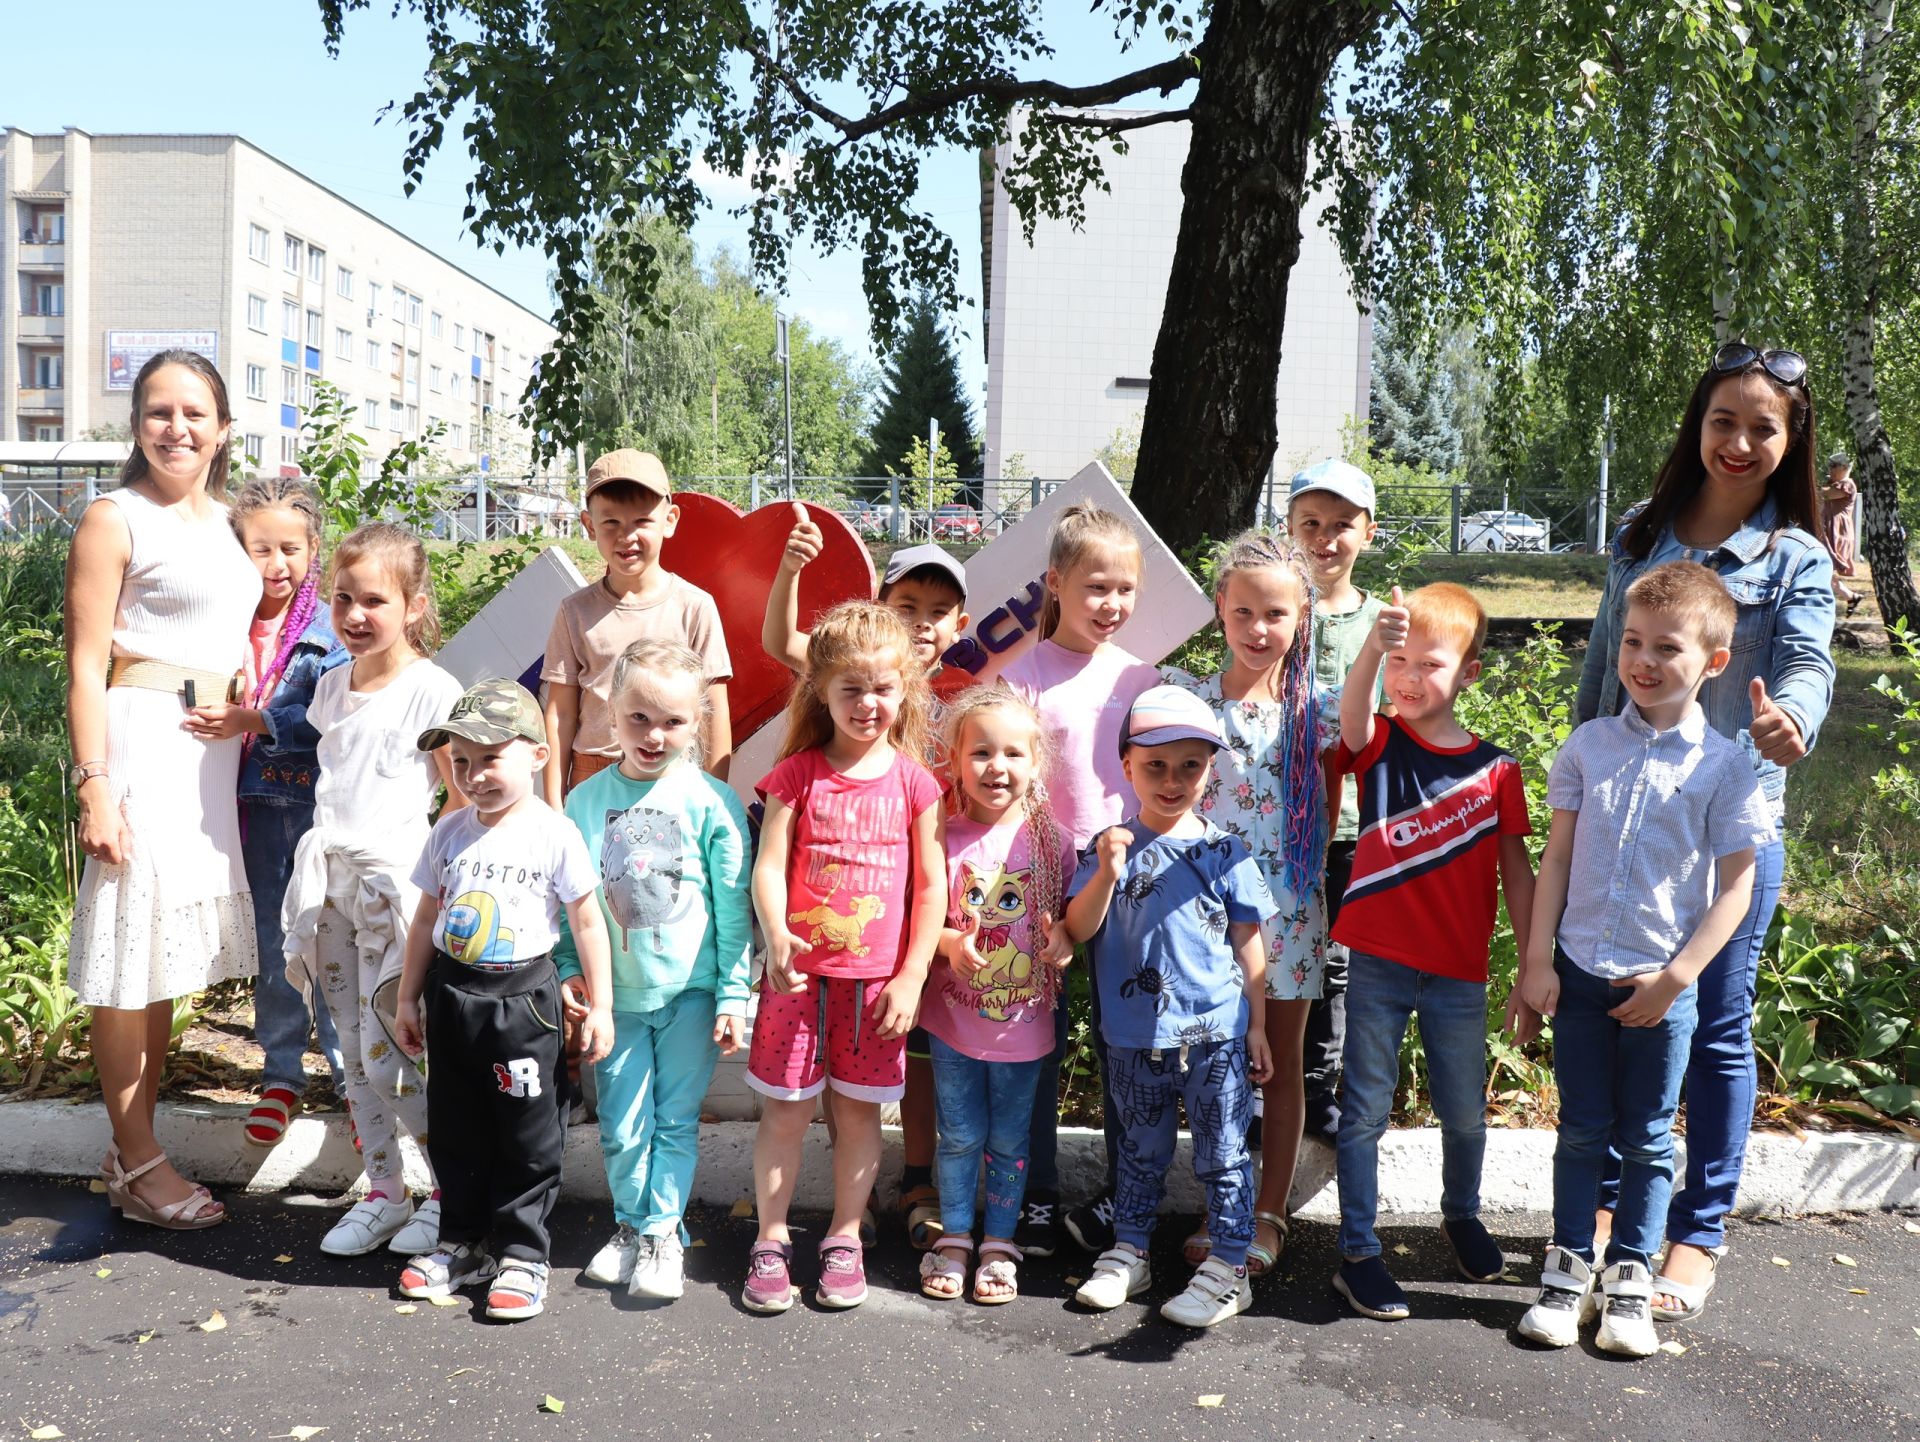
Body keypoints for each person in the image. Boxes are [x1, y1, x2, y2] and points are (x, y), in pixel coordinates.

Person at [1577, 342, 1835, 1321]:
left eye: (1762, 426)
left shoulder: (1795, 557)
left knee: (1718, 1030)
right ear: (1697, 426)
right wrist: (1577, 788)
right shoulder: (1641, 532)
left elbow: (1810, 664)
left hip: (1731, 832)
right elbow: (1605, 668)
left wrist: (1790, 720)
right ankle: (1605, 1211)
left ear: (1790, 438)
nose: (1738, 441)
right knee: (1614, 1017)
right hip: (1626, 828)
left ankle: (1698, 1232)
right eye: (1723, 420)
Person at [1516, 562, 1775, 1357]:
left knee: (1650, 1137)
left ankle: (1630, 1278)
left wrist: (1677, 978)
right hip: (1584, 976)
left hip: (1664, 984)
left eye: (1668, 647)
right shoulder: (1589, 747)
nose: (1644, 661)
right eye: (1633, 641)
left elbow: (1738, 889)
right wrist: (1537, 963)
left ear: (1714, 663)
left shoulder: (1727, 768)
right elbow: (1555, 860)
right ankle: (1567, 1270)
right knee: (1585, 1128)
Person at [66, 350, 262, 1229]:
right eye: (157, 412)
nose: (175, 428)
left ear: (224, 429)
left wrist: (248, 686)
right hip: (144, 749)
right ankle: (142, 1162)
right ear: (135, 425)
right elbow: (82, 665)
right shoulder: (115, 519)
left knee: (161, 966)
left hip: (209, 763)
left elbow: (240, 626)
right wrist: (95, 785)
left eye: (194, 413)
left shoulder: (231, 524)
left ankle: (125, 1144)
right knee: (125, 964)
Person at [764, 515, 973, 1248]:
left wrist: (921, 957)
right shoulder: (835, 708)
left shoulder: (959, 701)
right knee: (807, 1101)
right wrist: (789, 572)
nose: (919, 623)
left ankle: (903, 1188)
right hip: (824, 952)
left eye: (935, 611)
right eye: (904, 606)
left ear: (957, 625)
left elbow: (933, 867)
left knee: (882, 1083)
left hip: (905, 932)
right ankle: (785, 1231)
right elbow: (784, 646)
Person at [1331, 583, 1536, 1321]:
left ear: (1470, 673)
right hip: (1378, 963)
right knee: (1363, 1112)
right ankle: (1358, 1252)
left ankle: (1462, 1214)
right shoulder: (1381, 744)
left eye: (1431, 664)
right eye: (1400, 661)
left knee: (1465, 1113)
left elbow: (1518, 869)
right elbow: (1350, 719)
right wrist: (1369, 646)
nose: (1410, 678)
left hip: (1459, 975)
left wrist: (1534, 967)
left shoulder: (1497, 769)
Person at [741, 602, 945, 1313]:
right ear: (820, 691)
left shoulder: (917, 783)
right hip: (795, 982)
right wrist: (774, 933)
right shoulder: (795, 775)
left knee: (859, 1118)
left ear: (905, 691)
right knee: (786, 1117)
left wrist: (915, 972)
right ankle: (770, 1239)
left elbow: (931, 887)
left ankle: (845, 1236)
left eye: (883, 688)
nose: (868, 703)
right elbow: (769, 866)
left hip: (876, 990)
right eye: (850, 688)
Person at [392, 679, 612, 1321]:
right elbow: (425, 918)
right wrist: (409, 998)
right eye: (460, 761)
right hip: (453, 997)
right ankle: (461, 1242)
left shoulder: (555, 834)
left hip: (525, 1003)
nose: (473, 774)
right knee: (456, 1126)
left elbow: (588, 922)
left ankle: (522, 1254)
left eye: (490, 757)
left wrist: (600, 1006)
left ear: (538, 756)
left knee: (527, 1133)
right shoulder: (449, 832)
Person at [1062, 685, 1277, 1328]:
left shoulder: (1227, 850)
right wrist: (1105, 869)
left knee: (1224, 1148)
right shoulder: (1106, 846)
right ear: (1126, 765)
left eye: (1190, 765)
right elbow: (1076, 927)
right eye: (1154, 765)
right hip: (1133, 1033)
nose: (1172, 779)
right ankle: (1131, 1248)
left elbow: (1250, 946)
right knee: (1137, 1146)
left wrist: (1259, 1026)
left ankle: (1230, 1264)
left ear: (1210, 769)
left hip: (1216, 1034)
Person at [282, 523, 466, 1259]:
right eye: (343, 599)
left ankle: (448, 1192)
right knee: (353, 1055)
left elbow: (460, 798)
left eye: (375, 601)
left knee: (397, 1050)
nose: (356, 615)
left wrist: (427, 884)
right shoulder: (330, 687)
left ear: (414, 606)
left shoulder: (432, 689)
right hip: (330, 889)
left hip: (395, 898)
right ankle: (385, 1193)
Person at [1163, 531, 1338, 1279]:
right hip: (1202, 916)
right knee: (1215, 1065)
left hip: (1289, 914)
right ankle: (1222, 1204)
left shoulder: (1320, 712)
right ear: (1219, 612)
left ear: (1303, 617)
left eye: (1276, 613)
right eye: (1244, 612)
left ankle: (1267, 1209)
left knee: (1282, 1065)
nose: (1259, 629)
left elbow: (1343, 791)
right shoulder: (1188, 699)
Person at [561, 641, 754, 1301]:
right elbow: (570, 906)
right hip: (614, 1000)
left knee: (673, 1120)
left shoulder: (713, 803)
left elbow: (733, 912)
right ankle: (629, 1227)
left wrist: (733, 995)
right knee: (621, 1122)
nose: (654, 734)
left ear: (698, 722)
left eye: (673, 721)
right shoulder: (582, 803)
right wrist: (569, 971)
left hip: (691, 997)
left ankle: (661, 1236)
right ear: (611, 712)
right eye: (639, 717)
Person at [1000, 501, 1160, 1259]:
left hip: (1126, 887)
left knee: (1127, 1043)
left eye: (1125, 589)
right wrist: (1043, 907)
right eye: (1097, 587)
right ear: (1055, 585)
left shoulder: (1141, 677)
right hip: (1040, 889)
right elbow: (1011, 792)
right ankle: (1033, 1196)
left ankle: (1127, 1193)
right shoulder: (1021, 678)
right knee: (1038, 1044)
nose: (1113, 604)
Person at [181, 477, 349, 1148]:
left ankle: (350, 1077)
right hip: (246, 809)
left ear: (314, 550)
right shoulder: (222, 624)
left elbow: (328, 716)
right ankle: (281, 1074)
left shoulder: (327, 630)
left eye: (289, 549)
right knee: (274, 948)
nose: (275, 565)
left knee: (332, 942)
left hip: (312, 806)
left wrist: (253, 717)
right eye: (259, 549)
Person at [918, 688, 1073, 1305]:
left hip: (1024, 1027)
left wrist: (1063, 938)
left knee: (1011, 1141)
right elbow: (918, 915)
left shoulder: (1052, 841)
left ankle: (1000, 1243)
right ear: (954, 760)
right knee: (958, 1135)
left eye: (1013, 752)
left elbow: (1068, 922)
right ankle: (956, 1236)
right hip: (954, 1022)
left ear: (1037, 762)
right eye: (980, 752)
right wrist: (952, 942)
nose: (996, 767)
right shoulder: (939, 835)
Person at [541, 448, 733, 802]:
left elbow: (713, 709)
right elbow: (561, 713)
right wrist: (554, 805)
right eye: (611, 522)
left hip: (672, 772)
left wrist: (715, 798)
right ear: (589, 525)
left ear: (670, 520)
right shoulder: (574, 612)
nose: (626, 536)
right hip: (592, 775)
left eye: (642, 521)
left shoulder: (695, 607)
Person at [1285, 459, 1383, 1142]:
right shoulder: (1274, 607)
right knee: (1275, 950)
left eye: (1341, 525)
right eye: (1309, 525)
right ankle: (1271, 1080)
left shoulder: (1382, 619)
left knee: (1339, 959)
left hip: (1352, 821)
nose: (1325, 539)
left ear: (1368, 534)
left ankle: (1321, 1085)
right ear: (1287, 531)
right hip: (1277, 820)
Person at [1820, 451, 1861, 615]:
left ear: (1844, 467)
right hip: (1829, 531)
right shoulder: (1832, 483)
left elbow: (1825, 494)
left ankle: (1833, 603)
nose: (1830, 469)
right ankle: (1850, 596)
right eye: (1829, 465)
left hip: (1838, 532)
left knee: (1823, 568)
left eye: (1833, 466)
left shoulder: (1847, 484)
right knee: (1823, 569)